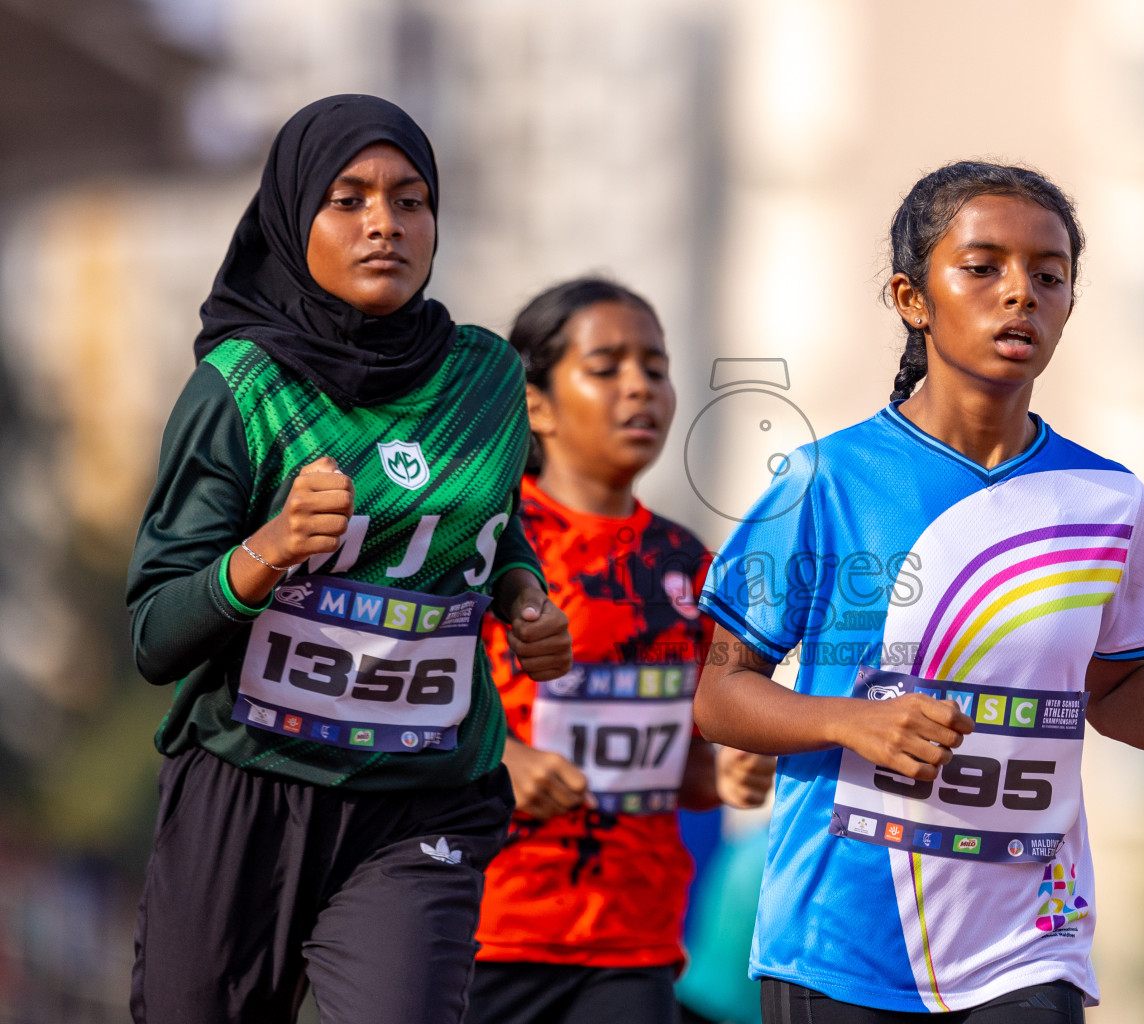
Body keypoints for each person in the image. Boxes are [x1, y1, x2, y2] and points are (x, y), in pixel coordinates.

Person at [693, 161, 1144, 1023]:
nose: (1020, 293)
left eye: (1050, 275)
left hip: (1029, 940)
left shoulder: (1110, 501)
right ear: (913, 299)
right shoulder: (824, 482)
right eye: (983, 267)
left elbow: (1112, 687)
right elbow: (722, 696)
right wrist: (851, 720)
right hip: (842, 941)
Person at [125, 94, 572, 1024]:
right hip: (248, 790)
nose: (384, 224)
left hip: (422, 802)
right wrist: (270, 549)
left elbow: (486, 524)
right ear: (296, 221)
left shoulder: (487, 379)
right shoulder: (241, 390)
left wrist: (522, 592)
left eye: (410, 201)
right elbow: (155, 636)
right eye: (349, 199)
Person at [468, 278, 775, 1024]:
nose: (639, 386)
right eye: (606, 367)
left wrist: (730, 771)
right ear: (535, 403)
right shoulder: (479, 544)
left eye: (656, 366)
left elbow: (688, 770)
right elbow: (405, 700)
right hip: (483, 928)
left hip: (632, 943)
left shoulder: (690, 566)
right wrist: (505, 758)